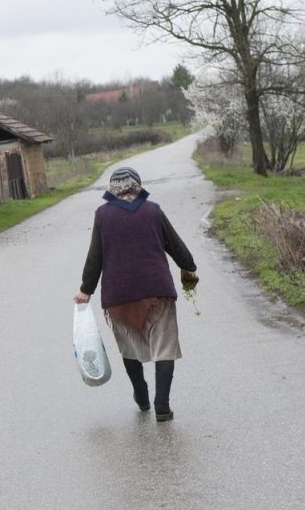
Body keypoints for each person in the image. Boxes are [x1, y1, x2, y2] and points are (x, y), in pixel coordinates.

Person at [73, 167, 198, 422]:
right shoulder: (153, 210)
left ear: (112, 189)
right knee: (164, 347)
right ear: (137, 186)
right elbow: (175, 245)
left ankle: (141, 395)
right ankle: (162, 405)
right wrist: (189, 266)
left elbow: (95, 257)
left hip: (119, 296)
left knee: (130, 348)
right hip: (157, 291)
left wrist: (86, 290)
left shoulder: (102, 215)